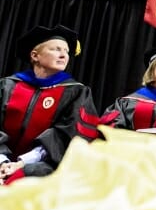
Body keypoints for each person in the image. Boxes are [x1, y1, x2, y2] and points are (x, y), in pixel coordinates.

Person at [0, 25, 98, 184]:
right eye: (56, 49)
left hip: (44, 169)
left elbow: (69, 136)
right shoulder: (7, 86)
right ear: (35, 55)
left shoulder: (76, 93)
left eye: (66, 51)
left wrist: (22, 163)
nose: (63, 55)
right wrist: (2, 161)